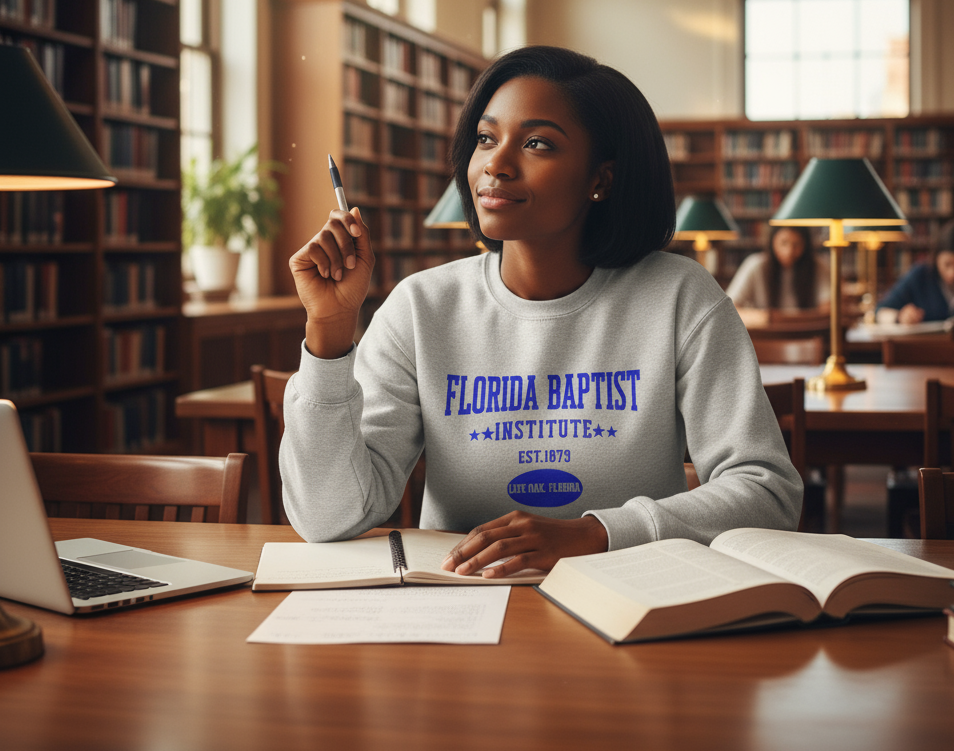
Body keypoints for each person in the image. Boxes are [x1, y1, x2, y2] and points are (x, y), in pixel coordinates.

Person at [278, 46, 803, 579]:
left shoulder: (678, 297)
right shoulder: (420, 307)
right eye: (486, 138)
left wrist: (595, 534)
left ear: (601, 178)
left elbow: (766, 491)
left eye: (536, 144)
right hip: (460, 604)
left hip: (634, 601)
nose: (495, 165)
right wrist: (328, 328)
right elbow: (327, 518)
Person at [726, 225, 830, 314]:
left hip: (807, 333)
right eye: (784, 243)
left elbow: (827, 307)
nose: (789, 251)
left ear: (806, 245)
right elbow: (729, 308)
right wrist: (764, 317)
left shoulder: (818, 266)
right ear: (772, 241)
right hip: (766, 334)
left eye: (796, 244)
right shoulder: (755, 265)